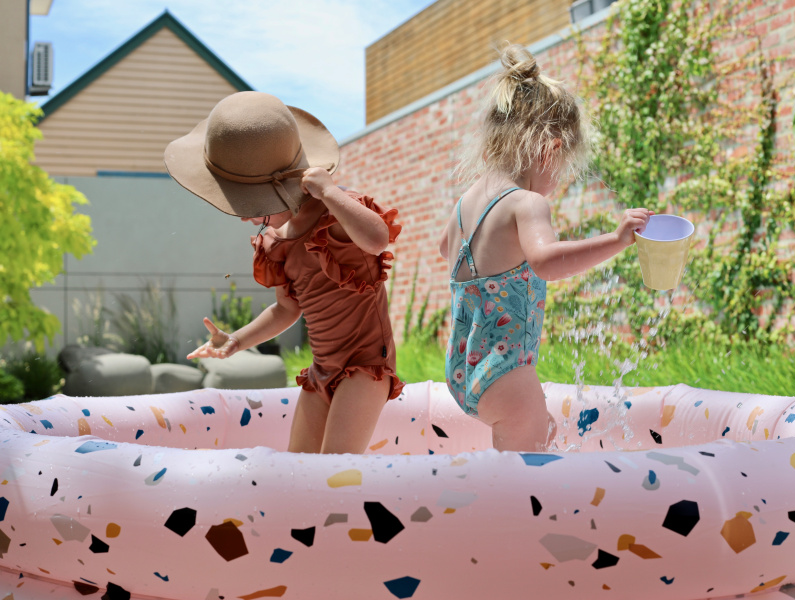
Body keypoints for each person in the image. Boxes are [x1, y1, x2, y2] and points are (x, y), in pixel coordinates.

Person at [439, 45, 653, 452]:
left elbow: (443, 247)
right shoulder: (527, 202)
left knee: (539, 436)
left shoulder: (467, 202)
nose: (558, 180)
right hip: (507, 372)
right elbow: (546, 262)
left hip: (463, 366)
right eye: (563, 168)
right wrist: (617, 239)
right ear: (550, 149)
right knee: (525, 486)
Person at [164, 91, 404, 454]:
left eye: (254, 209)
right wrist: (238, 341)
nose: (247, 218)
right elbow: (285, 310)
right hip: (321, 368)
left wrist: (330, 193)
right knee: (298, 472)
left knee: (336, 471)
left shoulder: (335, 217)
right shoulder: (277, 243)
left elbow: (377, 239)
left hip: (365, 367)